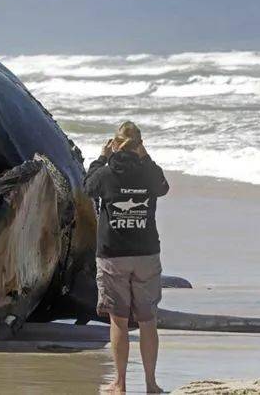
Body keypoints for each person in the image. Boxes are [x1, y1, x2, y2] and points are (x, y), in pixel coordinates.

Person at [83, 121, 169, 394]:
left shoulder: (105, 174)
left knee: (118, 320)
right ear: (140, 145)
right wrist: (147, 158)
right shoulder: (149, 175)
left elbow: (87, 186)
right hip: (145, 255)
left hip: (113, 256)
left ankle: (119, 383)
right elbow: (163, 186)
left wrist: (101, 158)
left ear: (114, 144)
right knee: (148, 320)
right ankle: (151, 383)